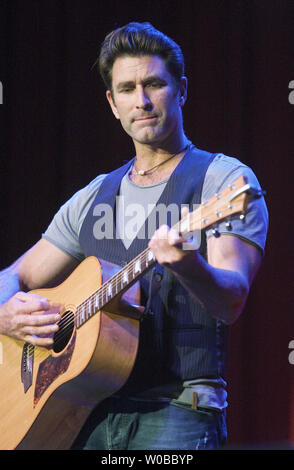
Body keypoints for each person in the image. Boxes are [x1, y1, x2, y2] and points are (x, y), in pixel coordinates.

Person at [0, 22, 268, 450]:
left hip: (179, 409)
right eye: (126, 89)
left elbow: (231, 299)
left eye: (154, 84)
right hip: (87, 409)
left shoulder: (223, 180)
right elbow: (17, 275)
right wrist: (4, 312)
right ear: (111, 103)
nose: (141, 101)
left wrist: (187, 263)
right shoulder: (93, 196)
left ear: (181, 90)